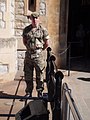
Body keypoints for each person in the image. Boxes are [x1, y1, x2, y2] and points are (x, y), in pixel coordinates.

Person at [22, 12, 49, 98]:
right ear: (30, 19)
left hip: (39, 56)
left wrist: (39, 50)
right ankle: (28, 92)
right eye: (32, 19)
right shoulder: (26, 30)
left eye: (36, 18)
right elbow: (24, 41)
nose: (34, 20)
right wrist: (30, 48)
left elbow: (46, 43)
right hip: (29, 56)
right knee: (28, 75)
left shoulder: (43, 30)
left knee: (40, 75)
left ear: (38, 19)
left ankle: (40, 92)